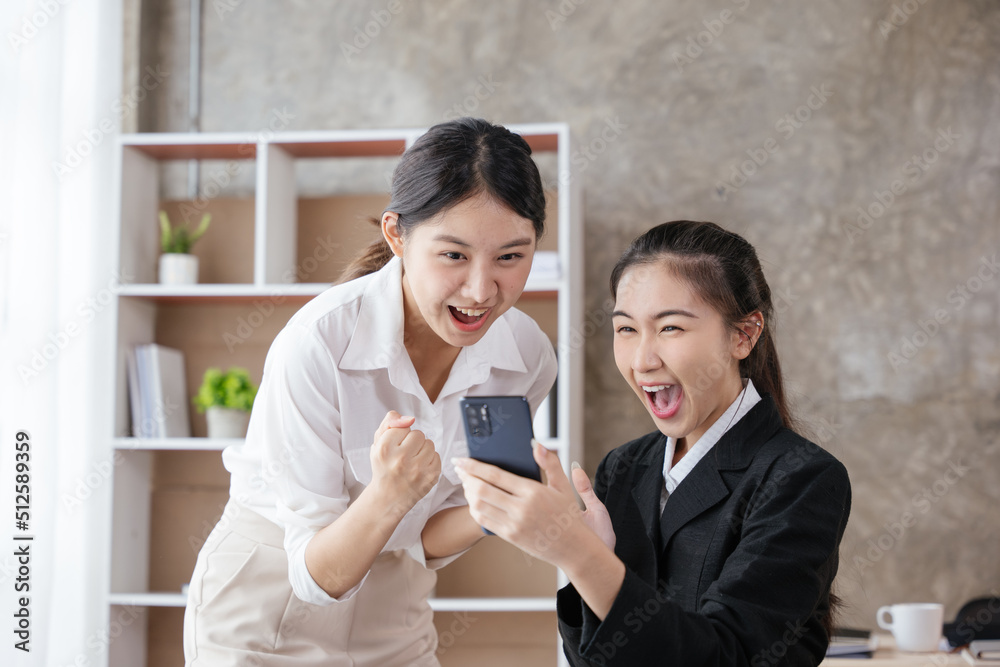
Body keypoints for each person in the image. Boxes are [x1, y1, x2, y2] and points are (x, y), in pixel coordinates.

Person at [183, 117, 558, 667]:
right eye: (453, 255)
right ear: (396, 235)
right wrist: (389, 495)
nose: (481, 290)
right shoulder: (319, 343)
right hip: (270, 600)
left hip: (395, 608)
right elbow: (314, 575)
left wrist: (503, 506)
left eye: (510, 257)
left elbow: (426, 537)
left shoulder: (526, 356)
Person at [454, 220, 852, 666]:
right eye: (626, 329)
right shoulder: (623, 467)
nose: (642, 360)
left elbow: (729, 657)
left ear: (743, 335)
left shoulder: (802, 478)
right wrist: (587, 560)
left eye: (670, 328)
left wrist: (581, 556)